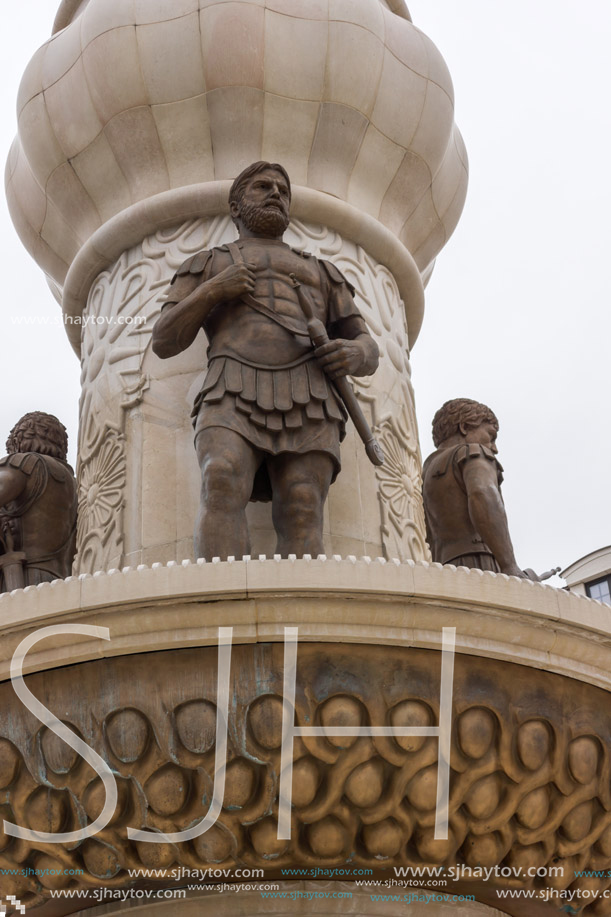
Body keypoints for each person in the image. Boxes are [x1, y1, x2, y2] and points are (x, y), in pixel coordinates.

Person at [153, 161, 379, 559]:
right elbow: (164, 339)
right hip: (231, 384)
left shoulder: (321, 271)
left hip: (309, 392)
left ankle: (303, 617)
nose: (276, 193)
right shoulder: (207, 264)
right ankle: (220, 604)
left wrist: (353, 352)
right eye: (262, 187)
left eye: (283, 189)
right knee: (220, 478)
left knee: (303, 502)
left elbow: (367, 345)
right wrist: (213, 291)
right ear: (236, 207)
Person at [422, 398, 526, 577]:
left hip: (442, 571)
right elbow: (482, 494)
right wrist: (509, 565)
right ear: (464, 427)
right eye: (491, 436)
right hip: (481, 563)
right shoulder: (472, 453)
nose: (494, 448)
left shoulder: (426, 473)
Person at [0, 412, 77, 592]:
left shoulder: (23, 464)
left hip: (19, 579)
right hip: (60, 583)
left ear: (17, 440)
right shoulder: (74, 485)